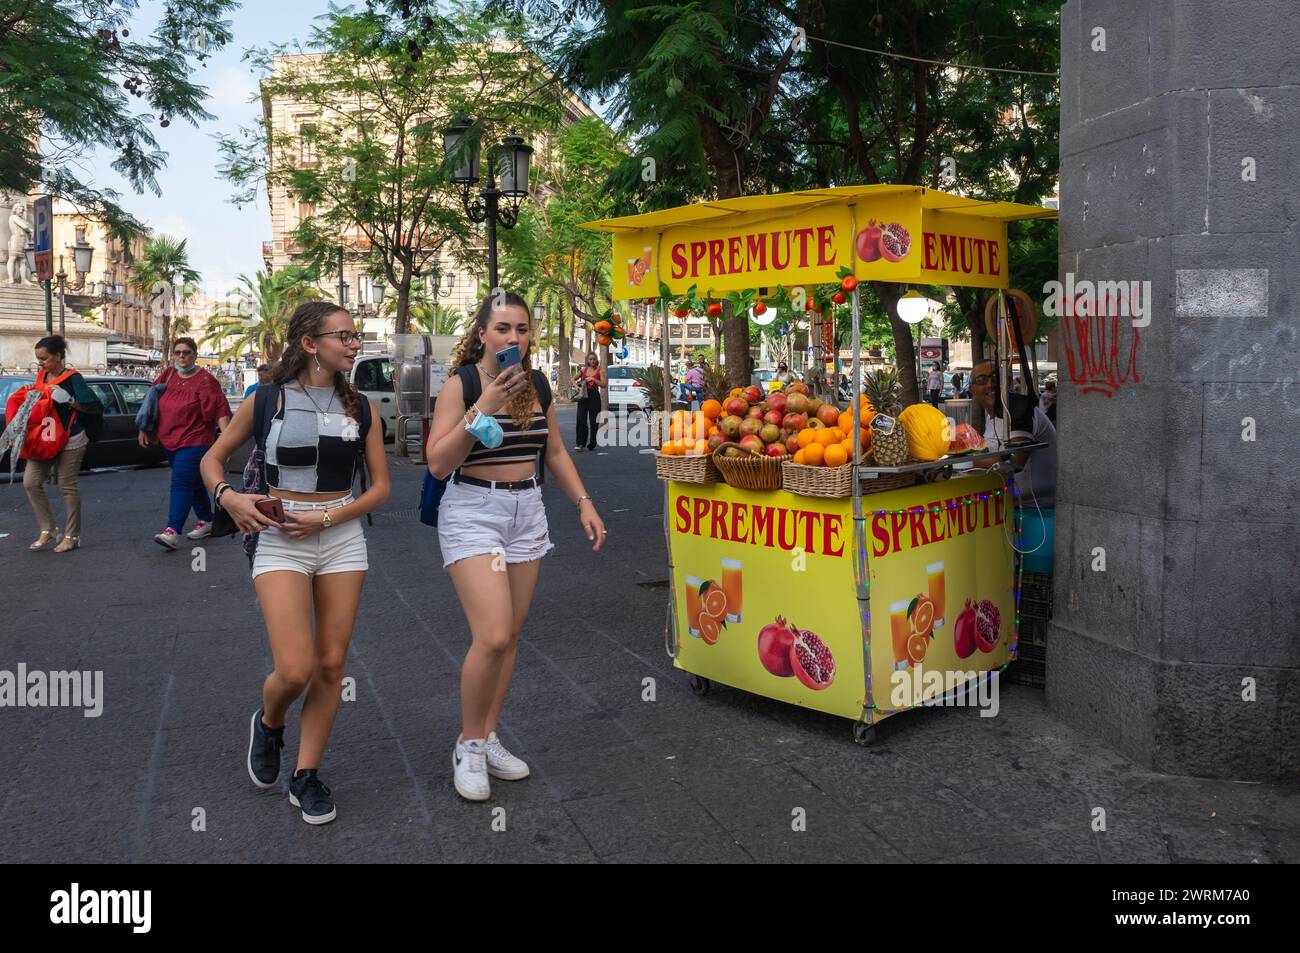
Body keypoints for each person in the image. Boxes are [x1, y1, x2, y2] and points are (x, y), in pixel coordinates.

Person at [200, 302, 391, 825]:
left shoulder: (362, 408)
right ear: (310, 344)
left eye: (356, 336)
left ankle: (305, 775)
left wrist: (329, 518)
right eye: (343, 336)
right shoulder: (265, 399)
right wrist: (230, 497)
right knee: (294, 667)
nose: (354, 344)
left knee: (331, 664)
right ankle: (270, 721)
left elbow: (380, 490)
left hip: (342, 536)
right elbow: (211, 458)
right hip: (280, 536)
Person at [426, 291, 605, 803]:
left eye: (522, 330)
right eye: (503, 328)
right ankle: (469, 744)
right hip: (473, 510)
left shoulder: (538, 385)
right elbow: (439, 463)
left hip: (526, 511)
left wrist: (584, 503)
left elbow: (552, 450)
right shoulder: (461, 385)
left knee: (513, 633)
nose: (513, 339)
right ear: (482, 333)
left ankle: (488, 734)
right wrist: (484, 407)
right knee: (494, 633)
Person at [140, 337, 232, 549]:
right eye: (178, 353)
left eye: (187, 352)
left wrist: (228, 443)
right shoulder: (169, 374)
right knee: (194, 482)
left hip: (196, 440)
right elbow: (150, 401)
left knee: (181, 481)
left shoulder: (206, 380)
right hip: (169, 439)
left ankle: (172, 530)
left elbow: (220, 410)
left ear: (195, 355)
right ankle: (207, 520)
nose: (182, 356)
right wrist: (144, 428)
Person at [20, 335, 103, 553]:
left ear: (58, 356)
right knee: (30, 482)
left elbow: (94, 406)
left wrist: (69, 400)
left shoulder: (73, 378)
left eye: (44, 358)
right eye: (38, 359)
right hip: (45, 438)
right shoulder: (42, 375)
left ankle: (72, 535)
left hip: (70, 438)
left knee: (67, 486)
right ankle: (48, 529)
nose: (41, 363)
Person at [969, 359, 1057, 509]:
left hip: (1036, 511)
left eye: (996, 377)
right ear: (973, 390)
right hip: (1009, 506)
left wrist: (965, 462)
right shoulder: (993, 418)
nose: (990, 384)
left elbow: (1015, 459)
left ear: (1008, 382)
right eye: (981, 380)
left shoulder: (1020, 410)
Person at [573, 352, 603, 451]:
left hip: (594, 396)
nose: (592, 361)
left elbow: (604, 384)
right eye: (590, 359)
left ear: (596, 360)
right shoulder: (583, 370)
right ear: (587, 361)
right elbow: (573, 379)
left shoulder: (599, 371)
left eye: (594, 359)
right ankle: (580, 443)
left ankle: (592, 442)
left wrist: (594, 379)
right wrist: (577, 387)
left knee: (594, 421)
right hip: (583, 395)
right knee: (581, 419)